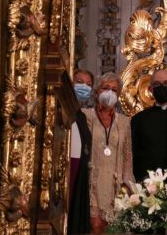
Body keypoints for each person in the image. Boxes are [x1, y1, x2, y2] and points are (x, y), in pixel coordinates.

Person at [83, 72, 134, 234]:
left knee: (111, 228)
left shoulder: (124, 122)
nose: (110, 93)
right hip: (91, 182)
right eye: (106, 88)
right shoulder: (84, 116)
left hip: (115, 183)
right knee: (94, 226)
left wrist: (127, 184)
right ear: (97, 91)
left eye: (114, 90)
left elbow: (127, 155)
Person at [131, 69, 167, 181]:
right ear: (150, 89)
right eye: (157, 84)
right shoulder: (138, 120)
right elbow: (133, 154)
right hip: (147, 183)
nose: (162, 87)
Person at [68, 69, 94, 235]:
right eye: (79, 82)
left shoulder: (82, 117)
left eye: (89, 84)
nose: (84, 87)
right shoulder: (62, 108)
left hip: (80, 173)